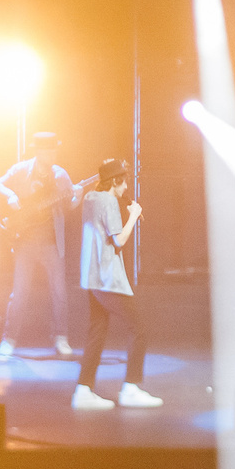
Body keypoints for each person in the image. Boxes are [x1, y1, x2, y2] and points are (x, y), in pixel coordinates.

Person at [72, 158, 160, 410]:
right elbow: (119, 240)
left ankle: (83, 390)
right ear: (116, 181)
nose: (125, 188)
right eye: (123, 183)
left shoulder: (90, 199)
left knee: (97, 331)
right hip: (108, 278)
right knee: (140, 328)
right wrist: (132, 216)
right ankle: (131, 388)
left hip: (92, 277)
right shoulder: (109, 201)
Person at [0, 132, 76, 358]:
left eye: (53, 149)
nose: (51, 153)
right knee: (19, 292)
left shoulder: (60, 175)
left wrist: (75, 197)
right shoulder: (21, 170)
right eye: (47, 150)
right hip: (25, 241)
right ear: (38, 151)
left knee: (59, 291)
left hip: (51, 242)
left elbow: (70, 204)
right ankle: (8, 340)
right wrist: (10, 196)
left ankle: (61, 338)